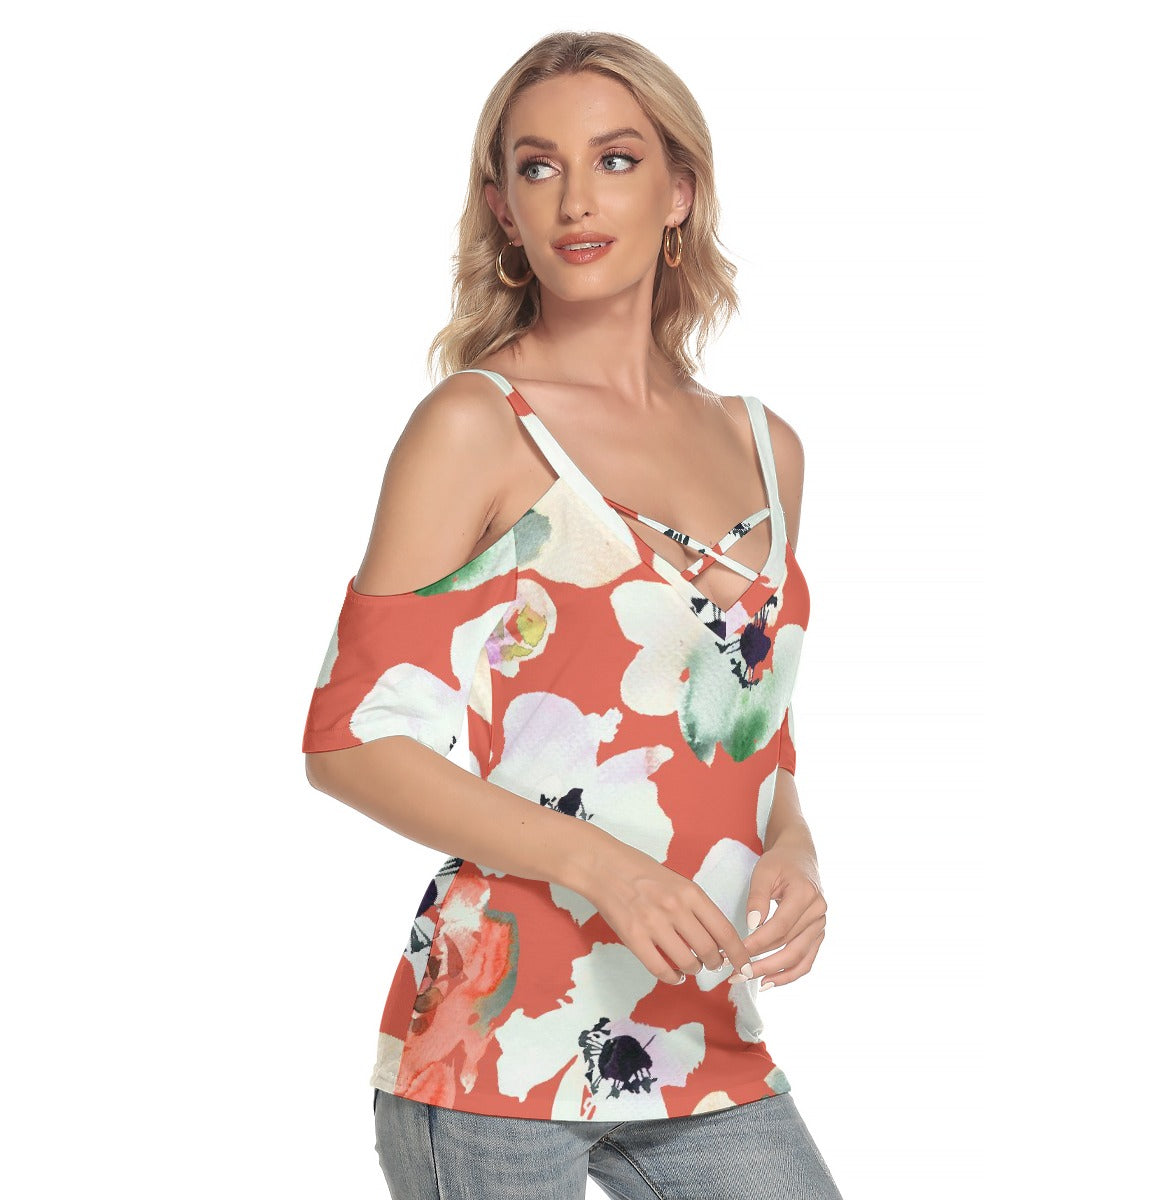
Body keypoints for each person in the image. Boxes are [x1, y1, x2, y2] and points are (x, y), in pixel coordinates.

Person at [302, 30, 843, 1200]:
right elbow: (348, 742)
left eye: (617, 159)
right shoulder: (477, 425)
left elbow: (749, 722)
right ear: (503, 207)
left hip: (701, 1030)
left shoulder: (766, 445)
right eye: (538, 167)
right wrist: (609, 871)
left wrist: (793, 846)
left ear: (679, 192)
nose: (576, 198)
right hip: (497, 1039)